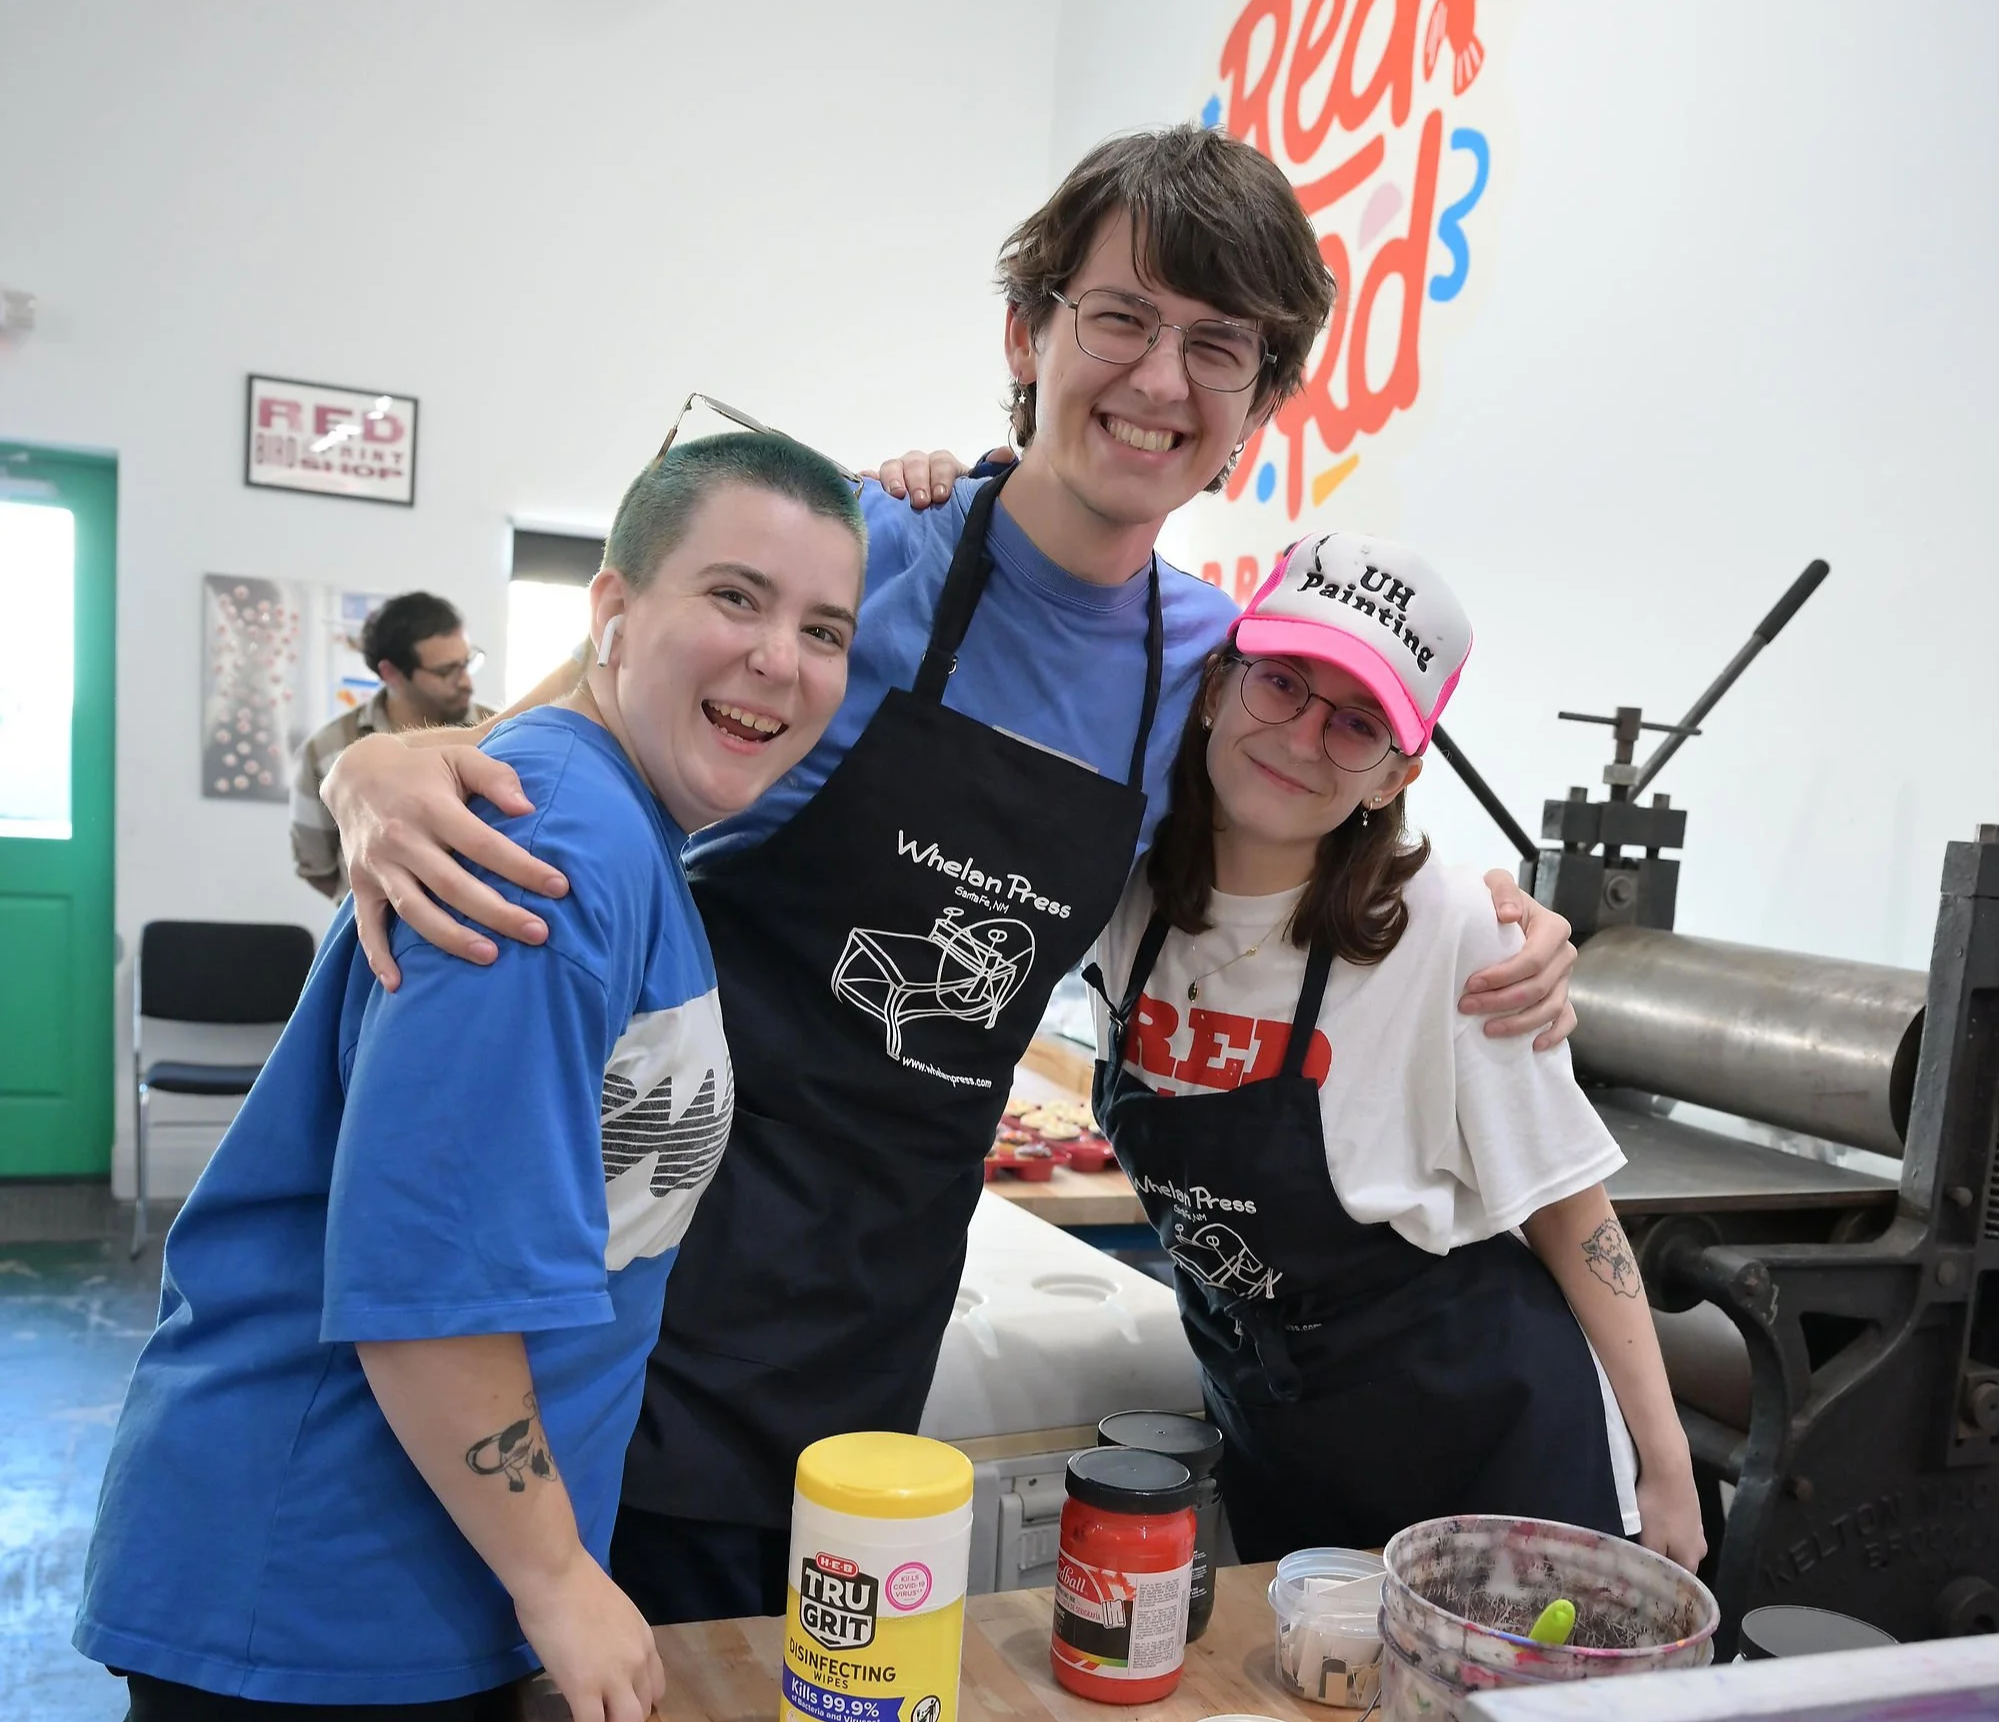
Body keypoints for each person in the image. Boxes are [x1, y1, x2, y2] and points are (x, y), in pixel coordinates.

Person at [317, 126, 1584, 1624]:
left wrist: (1512, 917)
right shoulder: (865, 553)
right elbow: (544, 739)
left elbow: (1322, 795)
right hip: (652, 1250)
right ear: (1025, 331)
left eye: (1216, 345)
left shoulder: (1201, 661)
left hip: (877, 1290)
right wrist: (377, 763)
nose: (1159, 379)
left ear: (1253, 401)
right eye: (1118, 316)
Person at [75, 435, 866, 1720]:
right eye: (734, 596)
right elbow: (426, 1280)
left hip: (412, 1578)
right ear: (610, 610)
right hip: (321, 1587)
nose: (781, 657)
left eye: (824, 626)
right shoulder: (553, 840)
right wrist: (553, 1574)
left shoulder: (618, 818)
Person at [1087, 529, 1705, 1568]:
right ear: (1215, 687)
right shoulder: (1125, 896)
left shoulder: (1450, 930)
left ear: (1393, 773)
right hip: (1281, 1433)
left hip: (1487, 1445)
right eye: (1280, 681)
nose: (1300, 736)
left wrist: (1668, 1466)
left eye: (1357, 722)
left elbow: (1568, 1209)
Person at [290, 591, 497, 898]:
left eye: (466, 663)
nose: (466, 682)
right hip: (372, 940)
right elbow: (317, 868)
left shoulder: (499, 734)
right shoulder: (327, 750)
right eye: (445, 671)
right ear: (391, 674)